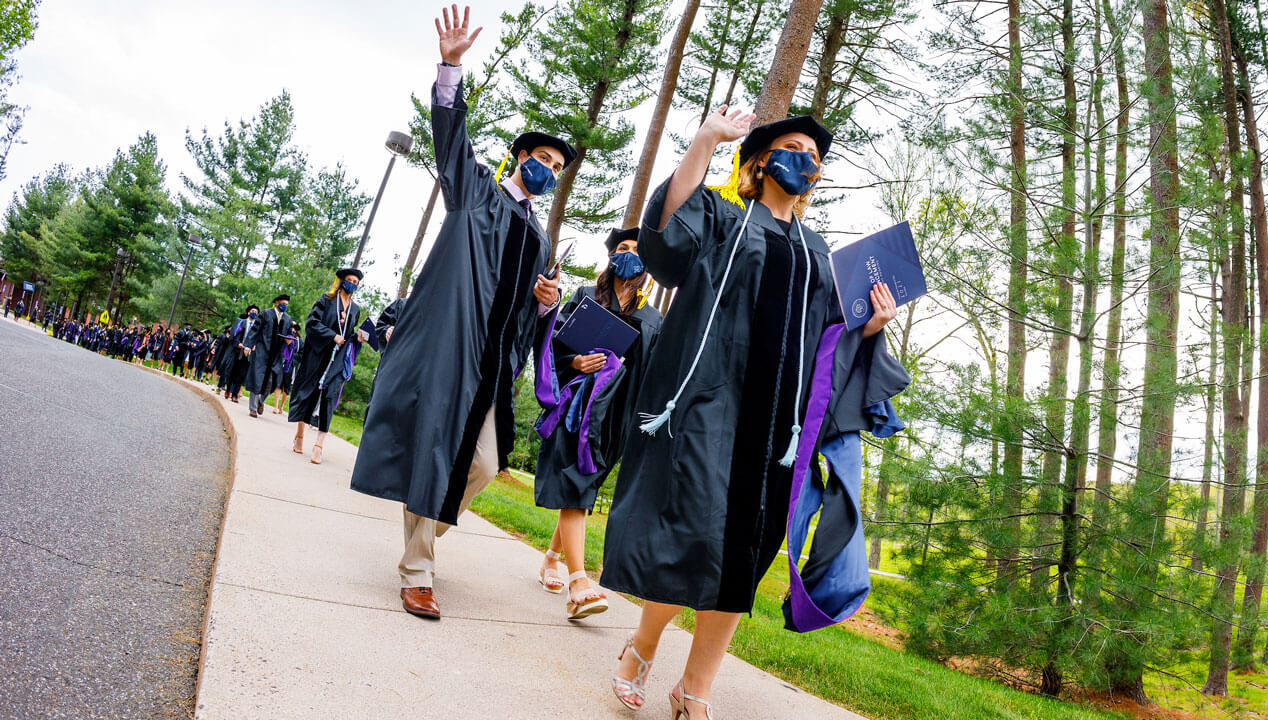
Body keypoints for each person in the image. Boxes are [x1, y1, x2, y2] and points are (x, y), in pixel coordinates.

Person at [599, 110, 910, 719]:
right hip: (708, 412)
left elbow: (829, 343)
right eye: (792, 149)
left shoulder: (821, 256)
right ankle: (642, 646)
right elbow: (665, 244)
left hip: (778, 430)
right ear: (762, 160)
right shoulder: (723, 221)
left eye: (814, 156)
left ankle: (696, 690)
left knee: (743, 554)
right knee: (690, 539)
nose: (805, 161)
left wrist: (869, 326)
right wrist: (707, 140)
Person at [349, 4, 565, 621]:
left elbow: (521, 309)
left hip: (496, 361)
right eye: (540, 159)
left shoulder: (540, 238)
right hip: (454, 345)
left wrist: (540, 302)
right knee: (438, 451)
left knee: (486, 465)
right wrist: (450, 69)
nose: (546, 170)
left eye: (555, 167)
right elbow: (452, 139)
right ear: (516, 157)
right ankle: (418, 569)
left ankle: (422, 530)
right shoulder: (476, 191)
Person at [531, 227, 662, 621]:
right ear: (610, 257)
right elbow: (551, 341)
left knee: (583, 490)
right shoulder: (587, 299)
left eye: (637, 251)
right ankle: (579, 584)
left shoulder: (652, 318)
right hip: (579, 409)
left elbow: (654, 374)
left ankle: (552, 556)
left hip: (617, 417)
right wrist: (575, 362)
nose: (629, 255)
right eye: (622, 248)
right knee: (575, 485)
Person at [288, 269, 366, 463]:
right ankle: (299, 435)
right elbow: (312, 323)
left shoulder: (355, 309)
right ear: (342, 281)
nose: (352, 284)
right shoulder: (327, 300)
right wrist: (332, 335)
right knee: (308, 392)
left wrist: (357, 337)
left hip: (337, 358)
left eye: (356, 282)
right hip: (317, 353)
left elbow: (348, 333)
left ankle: (319, 445)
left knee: (330, 396)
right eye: (349, 280)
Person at [244, 293, 293, 417]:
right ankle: (253, 408)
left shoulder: (288, 319)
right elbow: (255, 330)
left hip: (276, 355)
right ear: (276, 303)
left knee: (272, 382)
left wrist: (289, 340)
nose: (284, 306)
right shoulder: (266, 314)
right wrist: (248, 345)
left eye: (286, 305)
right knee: (257, 378)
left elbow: (288, 336)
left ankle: (261, 400)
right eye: (283, 304)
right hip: (262, 350)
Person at [226, 306, 258, 402]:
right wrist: (238, 344)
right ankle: (228, 389)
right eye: (252, 311)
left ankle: (235, 395)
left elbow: (257, 339)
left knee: (242, 374)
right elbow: (234, 335)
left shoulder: (257, 326)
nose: (254, 313)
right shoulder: (241, 322)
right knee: (232, 372)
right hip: (237, 351)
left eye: (256, 312)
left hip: (248, 353)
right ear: (248, 312)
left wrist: (254, 346)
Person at [272, 321, 301, 414]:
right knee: (278, 384)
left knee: (286, 388)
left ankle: (281, 407)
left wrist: (292, 357)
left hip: (291, 367)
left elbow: (301, 355)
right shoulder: (284, 337)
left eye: (294, 328)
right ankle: (276, 406)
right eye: (291, 327)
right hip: (281, 364)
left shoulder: (300, 341)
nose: (292, 329)